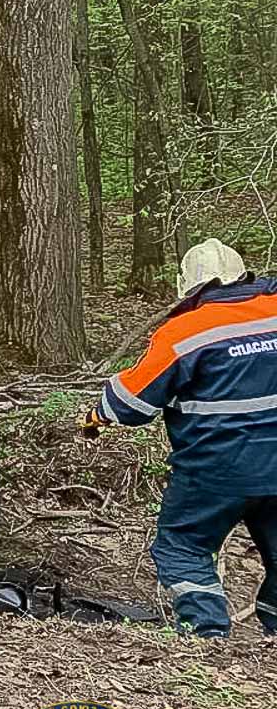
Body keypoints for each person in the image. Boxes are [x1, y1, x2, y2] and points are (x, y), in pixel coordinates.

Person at [86, 238, 277, 640]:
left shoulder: (186, 331)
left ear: (190, 288)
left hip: (215, 470)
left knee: (183, 546)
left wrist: (96, 416)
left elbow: (131, 405)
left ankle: (206, 635)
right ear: (244, 275)